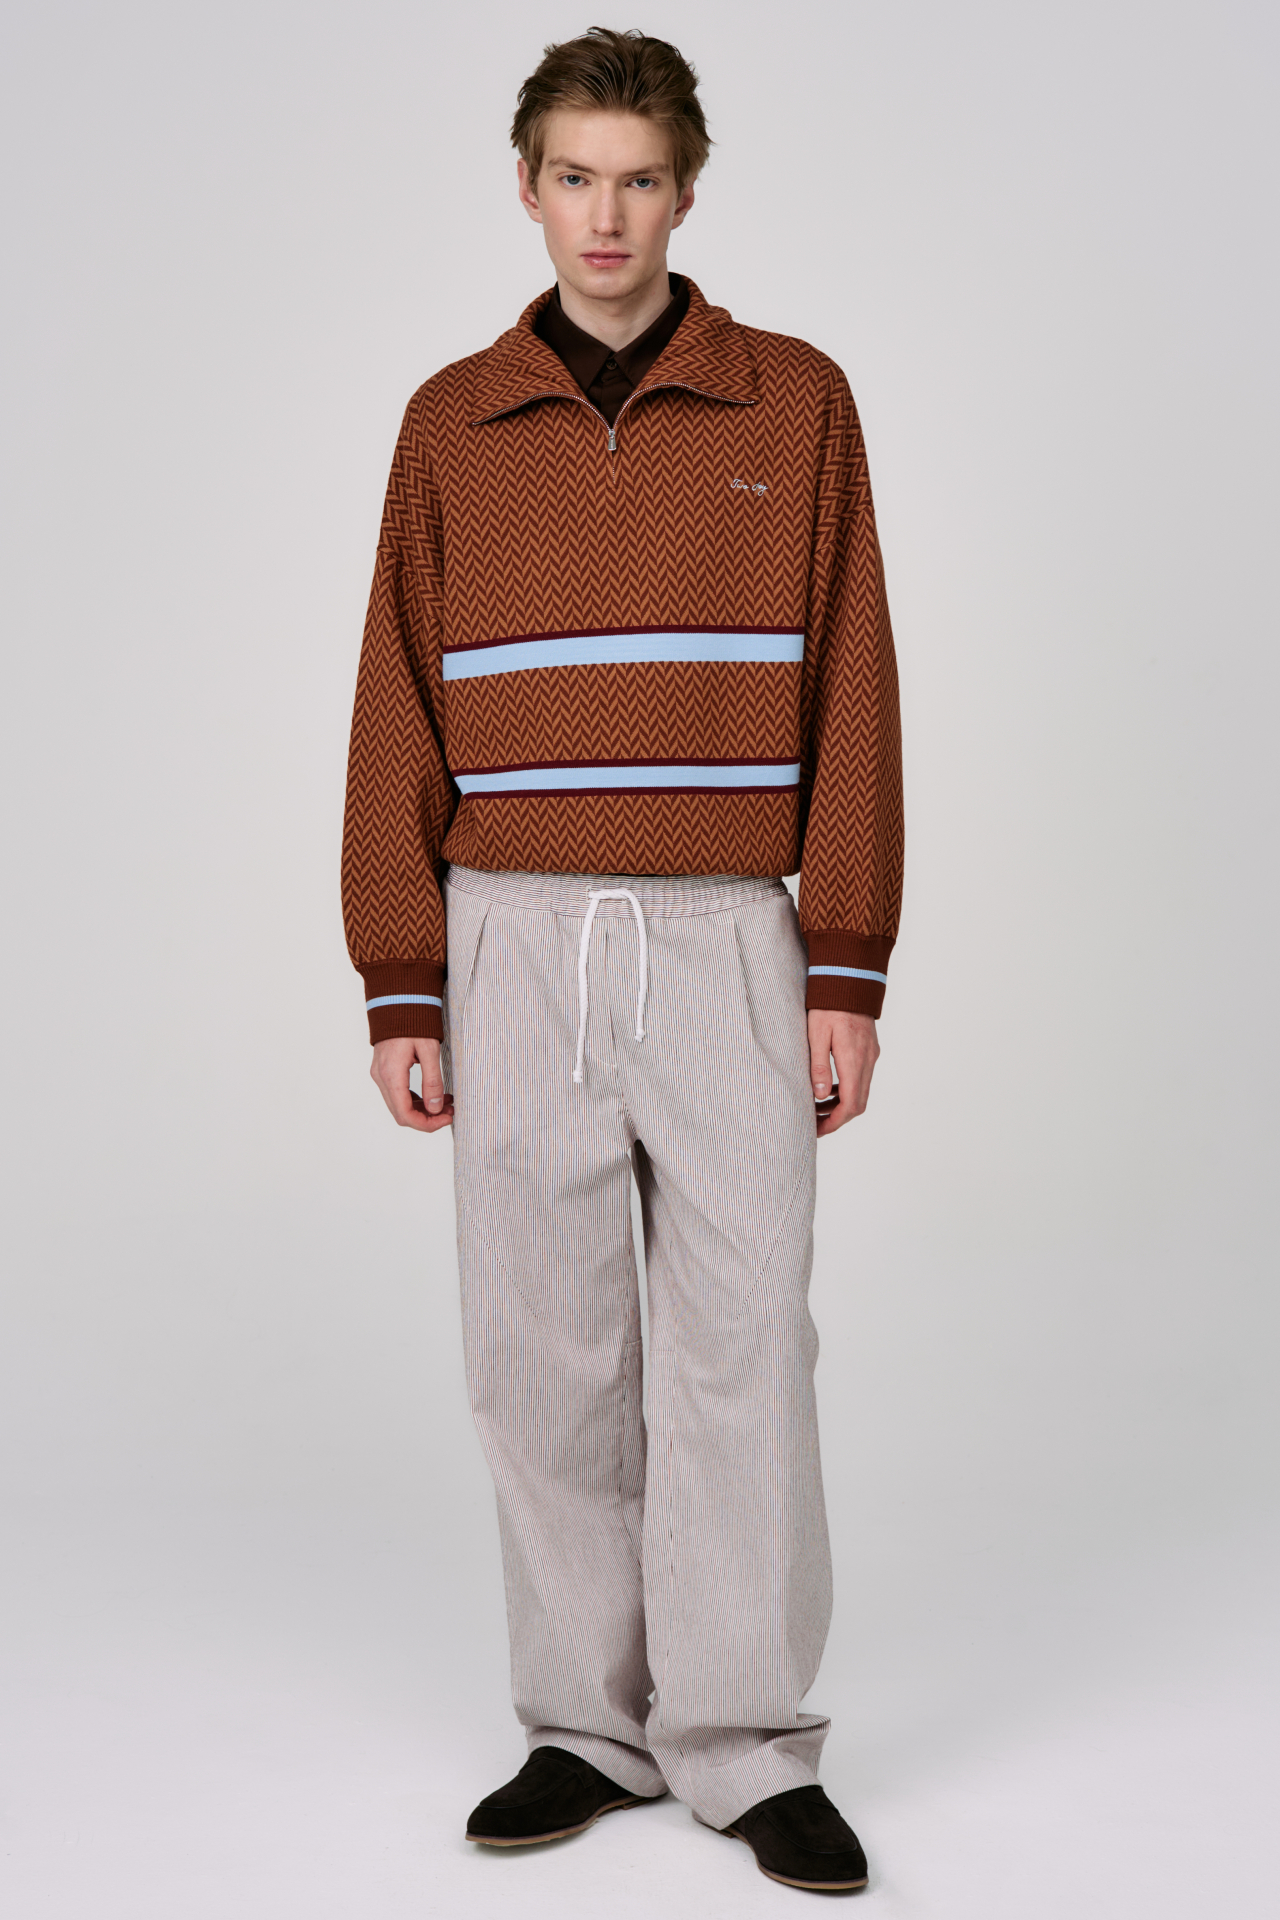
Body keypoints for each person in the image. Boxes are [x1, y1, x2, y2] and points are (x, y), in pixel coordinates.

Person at [341, 26, 902, 1894]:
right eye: (575, 177)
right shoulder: (450, 421)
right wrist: (401, 977)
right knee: (541, 1353)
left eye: (639, 179)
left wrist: (845, 960)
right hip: (509, 938)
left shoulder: (794, 403)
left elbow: (858, 681)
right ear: (527, 187)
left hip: (727, 933)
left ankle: (741, 1740)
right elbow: (394, 703)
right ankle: (587, 1725)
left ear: (687, 189)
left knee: (746, 1341)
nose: (607, 216)